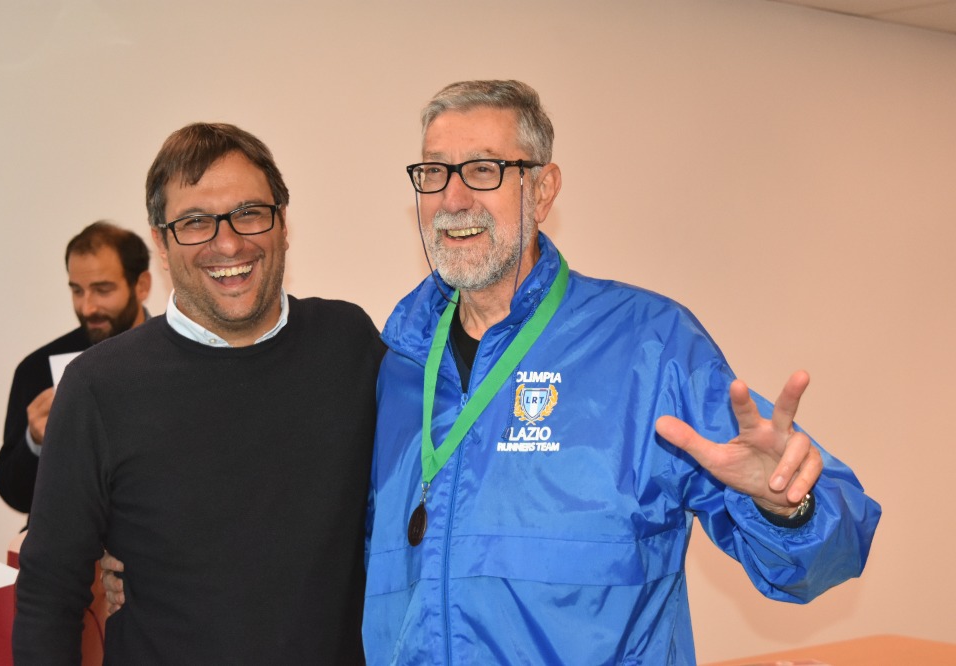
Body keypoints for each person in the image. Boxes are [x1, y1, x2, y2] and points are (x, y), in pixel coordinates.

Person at [361, 80, 881, 664]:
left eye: (483, 170)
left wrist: (788, 508)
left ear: (543, 189)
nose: (453, 198)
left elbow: (827, 557)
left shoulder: (648, 346)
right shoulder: (397, 366)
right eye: (434, 172)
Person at [13, 123, 382, 663]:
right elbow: (49, 594)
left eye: (249, 212)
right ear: (161, 244)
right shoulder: (99, 386)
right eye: (194, 222)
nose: (227, 243)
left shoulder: (348, 343)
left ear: (283, 223)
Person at [0, 221, 152, 518]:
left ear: (141, 285)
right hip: (72, 540)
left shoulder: (179, 358)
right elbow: (14, 494)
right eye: (77, 291)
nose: (87, 307)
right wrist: (35, 442)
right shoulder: (37, 369)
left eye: (102, 290)